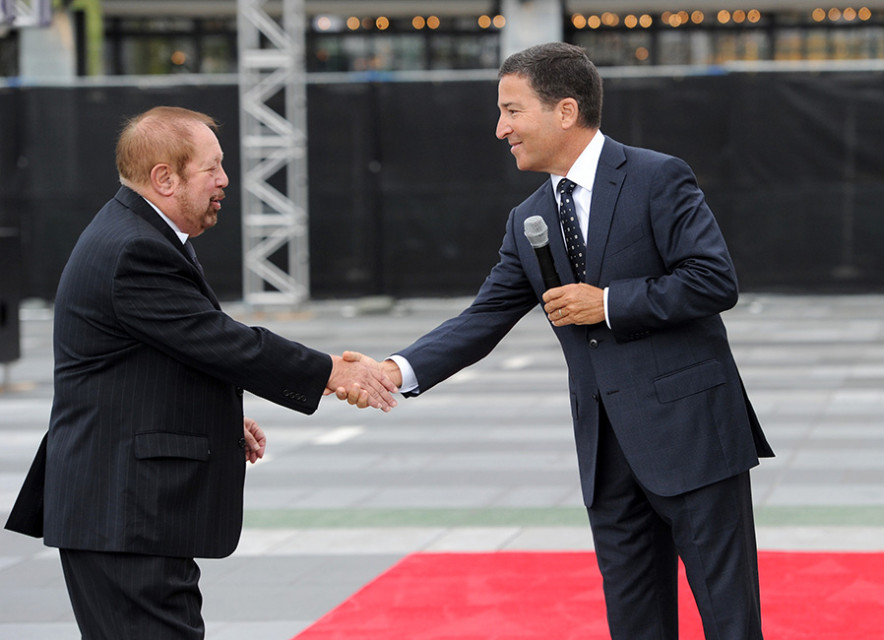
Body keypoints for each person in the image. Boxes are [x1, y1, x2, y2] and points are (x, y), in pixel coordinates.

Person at [342, 43, 774, 639]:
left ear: (565, 111)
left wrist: (611, 303)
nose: (501, 129)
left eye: (512, 111)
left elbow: (712, 279)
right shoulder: (528, 218)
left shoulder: (657, 176)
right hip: (607, 456)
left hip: (693, 438)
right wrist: (393, 370)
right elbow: (483, 318)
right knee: (635, 623)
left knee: (730, 623)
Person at [4, 106, 397, 639]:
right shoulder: (135, 249)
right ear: (165, 178)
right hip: (123, 516)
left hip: (125, 514)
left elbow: (161, 351)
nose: (225, 180)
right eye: (211, 168)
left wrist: (211, 417)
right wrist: (331, 371)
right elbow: (220, 339)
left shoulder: (138, 233)